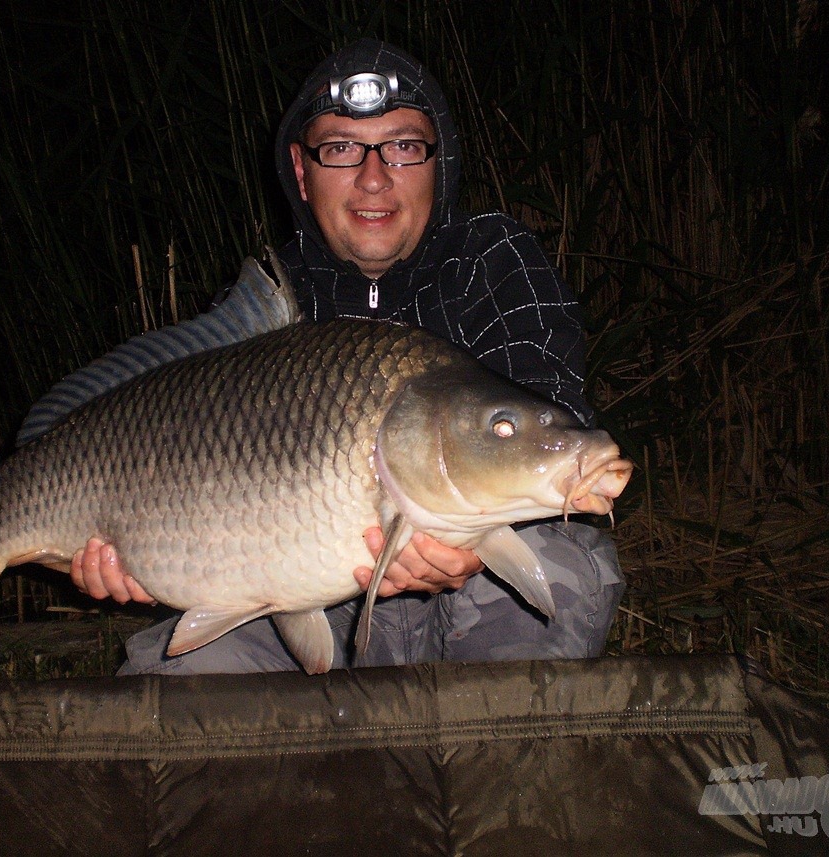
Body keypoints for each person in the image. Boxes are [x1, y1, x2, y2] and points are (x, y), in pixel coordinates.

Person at [61, 39, 624, 673]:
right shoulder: (265, 312)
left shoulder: (496, 263)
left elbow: (543, 419)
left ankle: (485, 745)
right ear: (301, 172)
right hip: (310, 599)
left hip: (476, 600)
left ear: (440, 162)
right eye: (341, 150)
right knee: (173, 683)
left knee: (560, 556)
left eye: (404, 147)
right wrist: (144, 560)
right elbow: (193, 501)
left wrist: (464, 541)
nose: (374, 176)